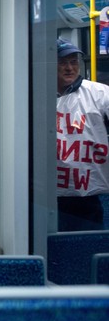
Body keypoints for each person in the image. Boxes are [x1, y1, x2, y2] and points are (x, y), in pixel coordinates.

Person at [56, 38, 109, 231]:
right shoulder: (33, 96)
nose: (69, 68)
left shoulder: (100, 94)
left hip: (88, 197)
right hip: (46, 198)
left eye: (73, 62)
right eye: (62, 63)